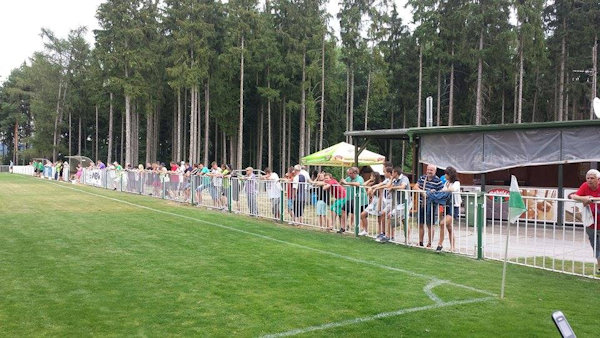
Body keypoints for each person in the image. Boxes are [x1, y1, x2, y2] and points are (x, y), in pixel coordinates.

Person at [571, 169, 600, 269]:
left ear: (598, 179)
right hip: (591, 222)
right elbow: (573, 196)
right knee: (595, 246)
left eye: (592, 178)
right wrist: (584, 198)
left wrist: (591, 199)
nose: (589, 180)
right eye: (588, 178)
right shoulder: (585, 186)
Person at [414, 164, 444, 247]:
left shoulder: (438, 181)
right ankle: (420, 242)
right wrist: (422, 192)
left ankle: (429, 243)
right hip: (421, 204)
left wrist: (434, 193)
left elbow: (441, 192)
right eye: (428, 170)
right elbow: (415, 187)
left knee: (430, 224)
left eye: (431, 170)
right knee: (420, 223)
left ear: (435, 171)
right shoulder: (422, 178)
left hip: (431, 205)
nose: (429, 172)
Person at [436, 166, 461, 252]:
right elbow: (443, 190)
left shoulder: (456, 183)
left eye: (446, 174)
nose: (445, 175)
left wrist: (445, 190)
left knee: (442, 223)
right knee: (449, 227)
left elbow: (452, 189)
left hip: (454, 207)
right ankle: (452, 247)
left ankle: (440, 244)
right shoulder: (446, 182)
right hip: (446, 206)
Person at [339, 167, 368, 233]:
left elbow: (358, 184)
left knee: (362, 215)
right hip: (350, 199)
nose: (349, 175)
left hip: (361, 200)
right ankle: (342, 227)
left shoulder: (359, 178)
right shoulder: (349, 178)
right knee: (343, 210)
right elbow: (341, 183)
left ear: (355, 173)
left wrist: (346, 183)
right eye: (348, 174)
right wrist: (341, 181)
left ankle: (364, 230)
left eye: (350, 173)